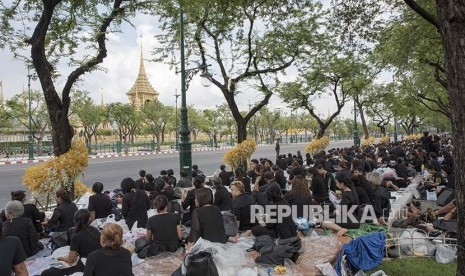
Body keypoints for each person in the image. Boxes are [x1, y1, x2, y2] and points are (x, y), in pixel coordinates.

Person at [41, 209, 101, 276]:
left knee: (46, 273)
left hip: (85, 267)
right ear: (89, 219)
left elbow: (70, 260)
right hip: (99, 263)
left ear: (75, 221)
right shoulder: (96, 230)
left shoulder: (76, 236)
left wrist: (62, 258)